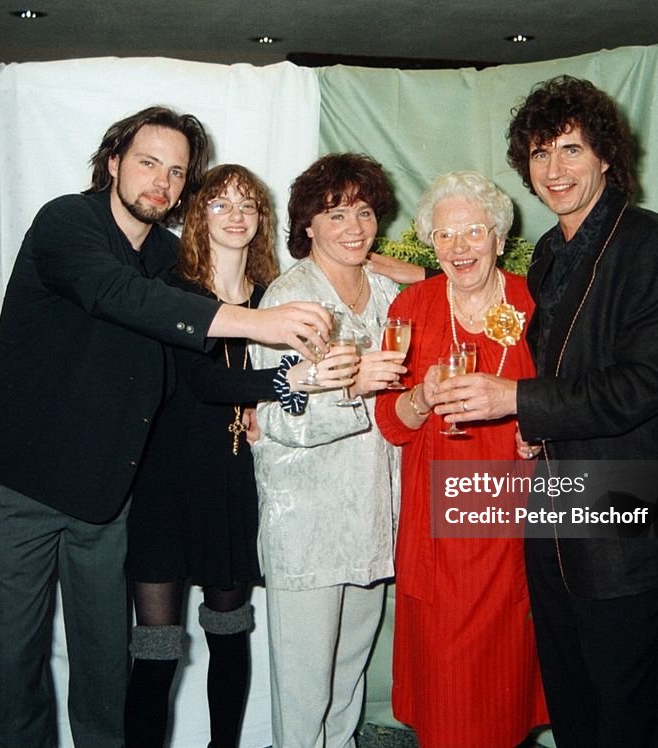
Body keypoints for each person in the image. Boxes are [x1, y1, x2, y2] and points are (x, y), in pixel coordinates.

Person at [0, 106, 331, 748]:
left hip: (108, 494)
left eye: (176, 171)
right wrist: (259, 326)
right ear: (113, 163)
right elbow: (123, 297)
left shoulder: (166, 255)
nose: (161, 182)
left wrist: (377, 266)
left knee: (106, 662)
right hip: (21, 487)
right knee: (17, 658)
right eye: (147, 163)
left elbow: (215, 304)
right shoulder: (67, 222)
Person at [433, 76, 658, 746]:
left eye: (572, 149)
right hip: (555, 522)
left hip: (630, 521)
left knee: (631, 718)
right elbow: (561, 375)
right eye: (541, 153)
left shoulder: (651, 244)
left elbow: (644, 384)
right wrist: (534, 426)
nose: (555, 169)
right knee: (573, 708)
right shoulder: (549, 253)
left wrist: (517, 400)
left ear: (606, 155)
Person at [123, 164, 354, 747]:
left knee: (228, 637)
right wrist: (285, 381)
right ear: (198, 216)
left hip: (234, 481)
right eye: (220, 204)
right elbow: (203, 380)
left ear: (262, 220)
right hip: (166, 485)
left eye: (248, 205)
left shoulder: (272, 294)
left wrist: (286, 394)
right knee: (156, 650)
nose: (236, 215)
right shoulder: (173, 286)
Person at [373, 171, 548, 747]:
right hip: (437, 528)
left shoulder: (533, 303)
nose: (460, 247)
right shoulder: (413, 306)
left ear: (499, 237)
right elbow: (389, 422)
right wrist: (420, 398)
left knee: (505, 679)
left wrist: (538, 433)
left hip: (512, 519)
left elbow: (564, 398)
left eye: (474, 231)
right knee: (447, 690)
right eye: (445, 235)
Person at [249, 153, 407, 748]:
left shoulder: (388, 293)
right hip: (308, 523)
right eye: (336, 214)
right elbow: (275, 417)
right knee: (305, 688)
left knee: (347, 681)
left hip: (373, 516)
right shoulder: (288, 299)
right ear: (308, 225)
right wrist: (353, 391)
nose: (354, 227)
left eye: (363, 212)